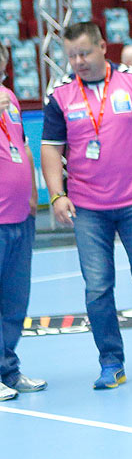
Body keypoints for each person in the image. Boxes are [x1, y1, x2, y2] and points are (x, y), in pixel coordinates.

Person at [39, 21, 132, 388]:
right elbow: (51, 149)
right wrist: (57, 194)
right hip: (88, 207)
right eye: (72, 56)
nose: (78, 61)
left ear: (103, 47)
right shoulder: (60, 94)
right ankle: (111, 361)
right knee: (97, 288)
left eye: (84, 52)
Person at [0, 54, 44, 398]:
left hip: (20, 215)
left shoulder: (10, 98)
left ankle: (9, 370)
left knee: (16, 300)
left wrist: (32, 195)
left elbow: (24, 149)